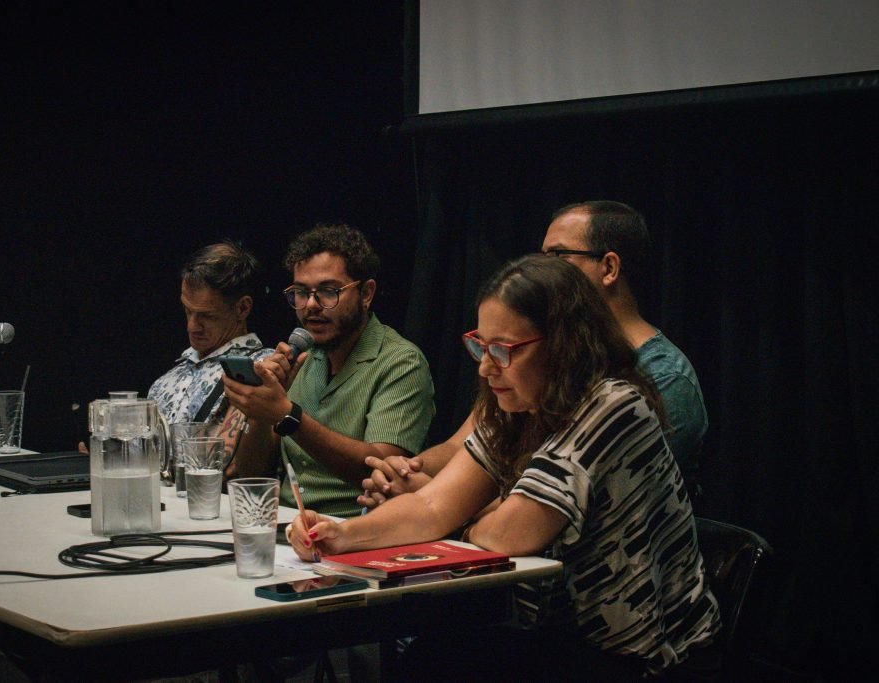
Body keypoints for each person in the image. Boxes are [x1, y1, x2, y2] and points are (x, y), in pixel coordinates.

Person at [289, 254, 721, 681]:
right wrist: (338, 534)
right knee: (432, 657)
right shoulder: (517, 408)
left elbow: (510, 533)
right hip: (558, 637)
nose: (485, 365)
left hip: (643, 656)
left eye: (502, 350)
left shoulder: (612, 404)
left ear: (563, 345)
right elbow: (430, 505)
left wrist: (470, 515)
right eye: (480, 345)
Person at [361, 200, 708, 507]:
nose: (541, 269)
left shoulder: (661, 377)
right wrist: (404, 474)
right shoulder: (548, 358)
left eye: (557, 256)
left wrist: (434, 500)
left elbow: (567, 505)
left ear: (609, 268)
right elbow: (461, 447)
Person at [224, 223, 435, 518]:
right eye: (300, 292)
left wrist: (288, 415)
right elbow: (250, 472)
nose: (311, 305)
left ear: (366, 293)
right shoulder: (303, 356)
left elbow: (385, 471)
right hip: (288, 522)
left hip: (356, 527)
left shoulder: (401, 362)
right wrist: (262, 412)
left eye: (328, 291)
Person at [146, 241, 273, 474]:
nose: (192, 326)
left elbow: (234, 470)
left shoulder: (264, 369)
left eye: (206, 316)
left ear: (243, 308)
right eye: (187, 311)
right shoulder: (166, 381)